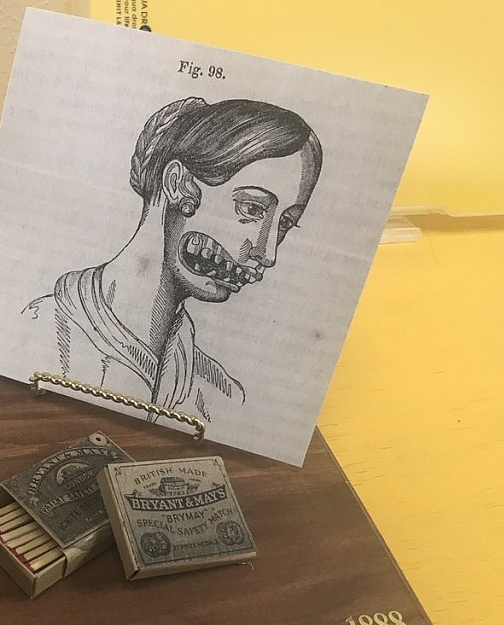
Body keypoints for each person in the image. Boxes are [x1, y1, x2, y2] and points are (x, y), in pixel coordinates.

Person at [22, 97, 322, 423]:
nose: (267, 254)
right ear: (177, 184)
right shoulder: (36, 331)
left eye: (285, 223)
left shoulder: (223, 395)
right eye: (252, 209)